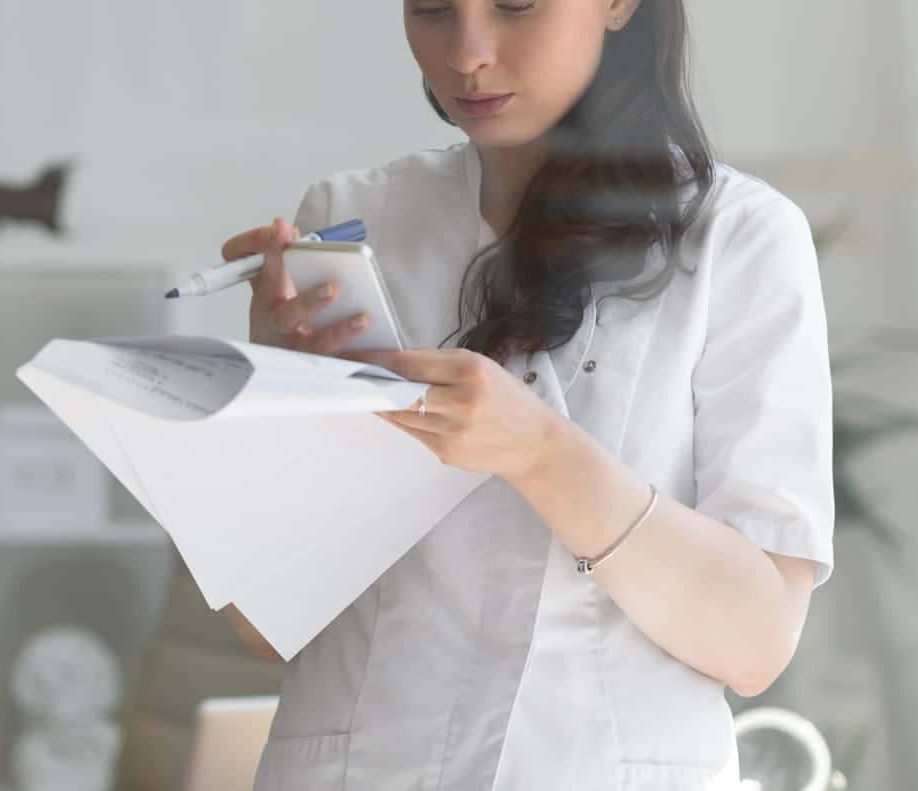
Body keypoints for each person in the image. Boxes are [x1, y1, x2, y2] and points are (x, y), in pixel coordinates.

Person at [216, 1, 835, 789]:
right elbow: (263, 624)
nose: (468, 53)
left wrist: (542, 452)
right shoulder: (347, 224)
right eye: (432, 8)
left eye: (515, 5)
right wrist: (269, 395)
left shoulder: (738, 241)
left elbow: (757, 641)